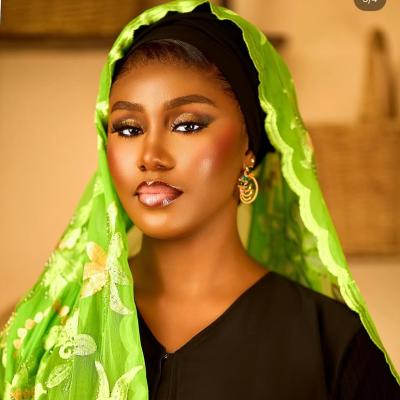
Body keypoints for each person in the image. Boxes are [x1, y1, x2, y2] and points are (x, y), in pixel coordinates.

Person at [0, 0, 399, 399]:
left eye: (187, 125)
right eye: (128, 129)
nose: (151, 156)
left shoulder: (331, 344)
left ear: (248, 146)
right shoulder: (42, 333)